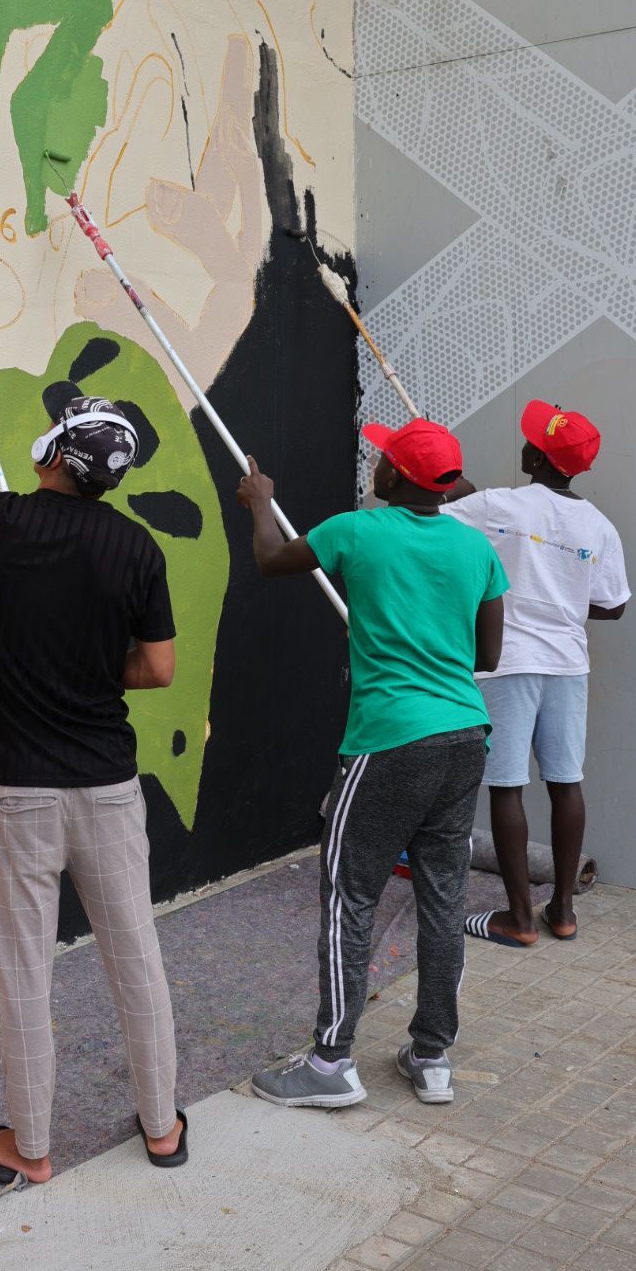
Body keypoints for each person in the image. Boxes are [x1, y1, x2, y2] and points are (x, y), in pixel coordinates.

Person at [0, 391, 187, 1184]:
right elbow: (158, 669)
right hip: (107, 789)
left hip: (17, 793)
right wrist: (99, 669)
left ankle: (28, 1150)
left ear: (54, 454)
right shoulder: (137, 549)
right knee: (136, 957)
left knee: (27, 973)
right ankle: (162, 1129)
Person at [239, 419, 508, 1108]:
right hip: (463, 736)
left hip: (389, 740)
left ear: (393, 478)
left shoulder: (354, 532)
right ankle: (432, 1055)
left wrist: (260, 501)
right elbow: (486, 657)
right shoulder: (476, 549)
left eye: (382, 458)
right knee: (443, 898)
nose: (375, 463)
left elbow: (272, 561)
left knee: (349, 894)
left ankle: (331, 1063)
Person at [446, 400, 630, 947]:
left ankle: (519, 918)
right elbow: (614, 604)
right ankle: (564, 911)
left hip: (506, 661)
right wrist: (565, 596)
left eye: (530, 441)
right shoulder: (598, 524)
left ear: (534, 455)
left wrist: (465, 493)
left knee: (506, 786)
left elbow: (433, 510)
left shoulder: (496, 504)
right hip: (567, 664)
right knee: (565, 781)